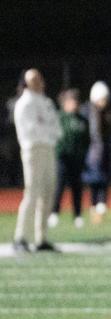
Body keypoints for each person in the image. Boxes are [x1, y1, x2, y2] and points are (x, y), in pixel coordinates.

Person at [12, 69, 62, 253]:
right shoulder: (24, 104)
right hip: (33, 150)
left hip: (48, 149)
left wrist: (47, 131)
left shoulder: (46, 102)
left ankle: (41, 238)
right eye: (35, 79)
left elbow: (56, 128)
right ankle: (21, 237)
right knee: (32, 193)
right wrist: (46, 131)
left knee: (48, 193)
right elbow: (32, 130)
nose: (40, 82)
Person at [49, 89, 90, 229]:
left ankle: (77, 215)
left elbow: (86, 139)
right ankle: (54, 213)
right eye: (71, 101)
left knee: (77, 187)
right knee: (59, 186)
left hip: (77, 159)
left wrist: (83, 155)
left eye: (76, 101)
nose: (74, 104)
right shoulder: (59, 117)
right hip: (62, 157)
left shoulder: (83, 120)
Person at [82, 81, 111, 224]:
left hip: (104, 155)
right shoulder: (87, 114)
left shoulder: (108, 116)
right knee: (94, 184)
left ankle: (100, 212)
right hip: (93, 156)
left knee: (103, 182)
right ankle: (94, 212)